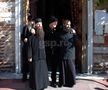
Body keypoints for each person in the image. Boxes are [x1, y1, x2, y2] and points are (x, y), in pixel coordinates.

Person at [28, 18, 49, 90]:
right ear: (35, 25)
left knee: (42, 72)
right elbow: (29, 47)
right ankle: (36, 85)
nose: (40, 25)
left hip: (42, 56)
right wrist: (29, 56)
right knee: (36, 72)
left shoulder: (42, 33)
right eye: (38, 24)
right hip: (35, 56)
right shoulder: (31, 36)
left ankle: (43, 85)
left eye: (41, 24)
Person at [59, 19, 78, 87]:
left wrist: (75, 34)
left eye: (69, 24)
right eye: (67, 24)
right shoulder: (61, 32)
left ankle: (71, 83)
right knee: (63, 69)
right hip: (63, 53)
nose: (68, 26)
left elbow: (76, 42)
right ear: (64, 24)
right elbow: (59, 41)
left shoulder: (72, 32)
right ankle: (62, 82)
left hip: (70, 53)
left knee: (71, 68)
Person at [44, 16, 60, 87]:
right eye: (54, 23)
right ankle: (45, 81)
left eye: (56, 23)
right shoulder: (45, 31)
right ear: (50, 23)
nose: (56, 25)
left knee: (54, 67)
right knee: (46, 67)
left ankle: (53, 81)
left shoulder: (57, 30)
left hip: (55, 52)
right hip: (47, 52)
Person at [21, 15, 34, 81]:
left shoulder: (34, 28)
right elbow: (22, 36)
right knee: (25, 62)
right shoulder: (25, 27)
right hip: (25, 47)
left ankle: (32, 77)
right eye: (29, 21)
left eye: (31, 21)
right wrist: (24, 39)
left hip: (32, 48)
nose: (30, 22)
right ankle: (24, 77)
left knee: (31, 63)